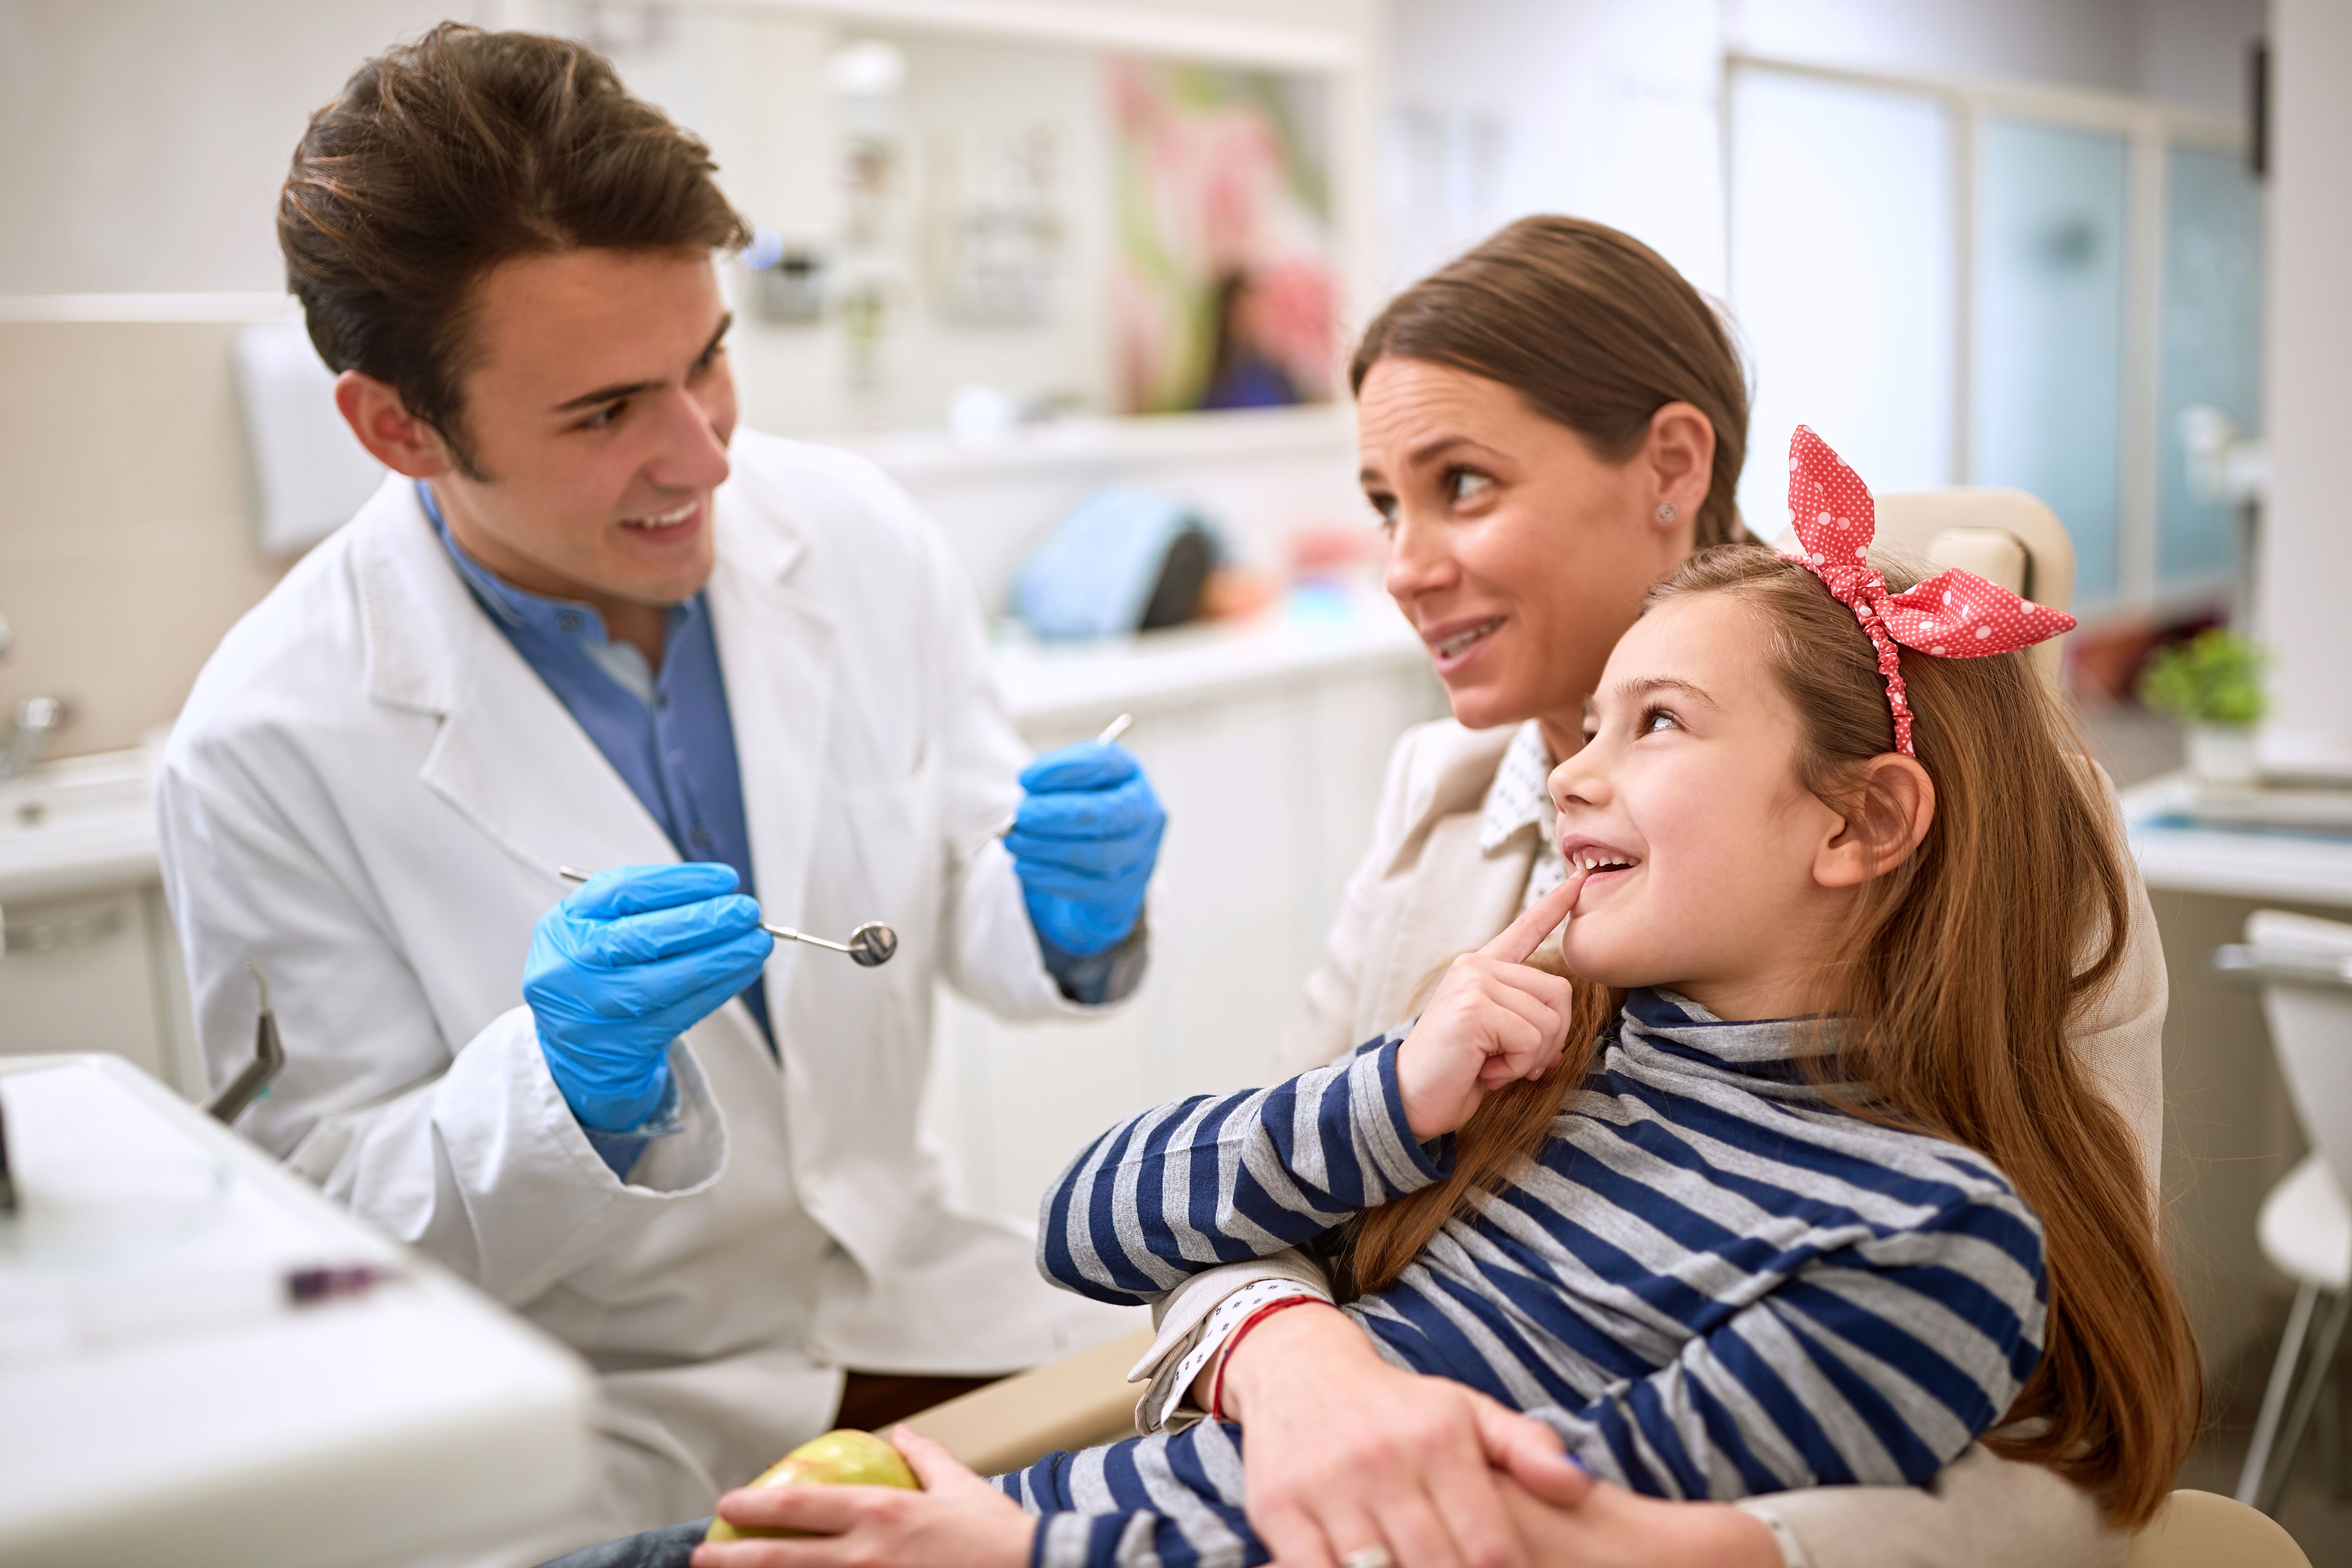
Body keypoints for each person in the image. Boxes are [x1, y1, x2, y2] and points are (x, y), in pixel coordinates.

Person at [672, 434, 2201, 1566]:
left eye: (1653, 723)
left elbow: (1508, 1540)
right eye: (1588, 726)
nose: (1574, 775)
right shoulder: (1546, 1070)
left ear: (1861, 824)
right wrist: (1393, 1089)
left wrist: (1021, 1558)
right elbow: (1097, 1225)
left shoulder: (1919, 1233)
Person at [156, 25, 1160, 1563]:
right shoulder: (264, 743)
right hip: (608, 1414)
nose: (701, 452)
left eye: (707, 361)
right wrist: (559, 1090)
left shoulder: (859, 536)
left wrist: (1062, 915)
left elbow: (965, 883)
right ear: (396, 426)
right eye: (605, 410)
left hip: (924, 1304)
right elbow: (321, 1238)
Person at [1101, 216, 2174, 1568]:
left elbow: (2070, 1412)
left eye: (1465, 486)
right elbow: (1263, 1180)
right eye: (1385, 505)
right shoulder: (1437, 790)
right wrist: (1294, 1364)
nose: (1404, 567)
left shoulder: (1999, 835)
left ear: (1671, 464)